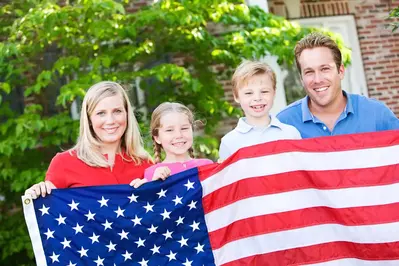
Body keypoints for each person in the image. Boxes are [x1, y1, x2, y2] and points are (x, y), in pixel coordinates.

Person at [24, 81, 153, 199]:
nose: (110, 121)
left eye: (117, 111)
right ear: (89, 119)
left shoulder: (145, 164)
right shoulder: (64, 163)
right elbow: (51, 213)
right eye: (101, 113)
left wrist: (152, 190)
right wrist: (38, 193)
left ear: (127, 115)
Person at [277, 32, 399, 139]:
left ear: (340, 71)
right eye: (309, 72)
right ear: (301, 78)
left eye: (325, 69)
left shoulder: (376, 114)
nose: (318, 79)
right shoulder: (283, 124)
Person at [218, 60, 301, 160]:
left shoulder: (291, 133)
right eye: (249, 93)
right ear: (236, 96)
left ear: (274, 93)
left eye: (264, 91)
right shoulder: (229, 142)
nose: (257, 98)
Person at [130, 102, 213, 188]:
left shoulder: (207, 166)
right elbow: (153, 200)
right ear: (157, 137)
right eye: (169, 130)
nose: (178, 135)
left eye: (184, 128)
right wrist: (154, 184)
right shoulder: (152, 173)